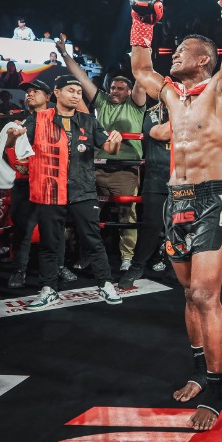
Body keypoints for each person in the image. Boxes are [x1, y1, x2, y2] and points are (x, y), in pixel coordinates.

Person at [128, 0, 222, 432]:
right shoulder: (172, 96)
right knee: (188, 295)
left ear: (204, 59)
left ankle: (216, 390)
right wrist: (142, 22)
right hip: (175, 200)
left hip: (212, 198)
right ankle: (199, 372)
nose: (173, 55)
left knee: (204, 293)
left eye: (182, 51)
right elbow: (140, 69)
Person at [6, 76, 124, 310]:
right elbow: (11, 145)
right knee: (50, 243)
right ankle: (49, 289)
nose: (76, 95)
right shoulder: (38, 118)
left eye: (79, 92)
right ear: (57, 93)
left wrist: (116, 140)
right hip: (50, 189)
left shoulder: (88, 120)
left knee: (93, 240)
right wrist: (13, 134)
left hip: (83, 189)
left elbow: (110, 149)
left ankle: (105, 283)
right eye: (71, 90)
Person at [55, 34, 146, 271]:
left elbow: (141, 79)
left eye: (120, 88)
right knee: (88, 216)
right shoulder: (102, 101)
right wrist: (64, 52)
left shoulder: (136, 104)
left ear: (129, 91)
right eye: (112, 87)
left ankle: (127, 258)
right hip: (96, 167)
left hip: (124, 170)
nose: (115, 90)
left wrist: (139, 53)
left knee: (127, 215)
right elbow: (81, 77)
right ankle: (87, 255)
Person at [4, 79, 76, 289]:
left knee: (55, 227)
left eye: (35, 91)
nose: (30, 94)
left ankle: (59, 266)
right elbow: (9, 149)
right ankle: (19, 270)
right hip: (26, 182)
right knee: (23, 228)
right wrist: (21, 166)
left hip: (52, 181)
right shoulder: (20, 122)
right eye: (28, 92)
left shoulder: (60, 119)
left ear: (48, 96)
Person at [119, 103, 172, 289]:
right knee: (151, 225)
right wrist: (185, 116)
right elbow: (160, 133)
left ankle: (177, 268)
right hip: (157, 178)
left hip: (184, 179)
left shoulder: (193, 111)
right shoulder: (153, 113)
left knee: (185, 227)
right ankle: (137, 267)